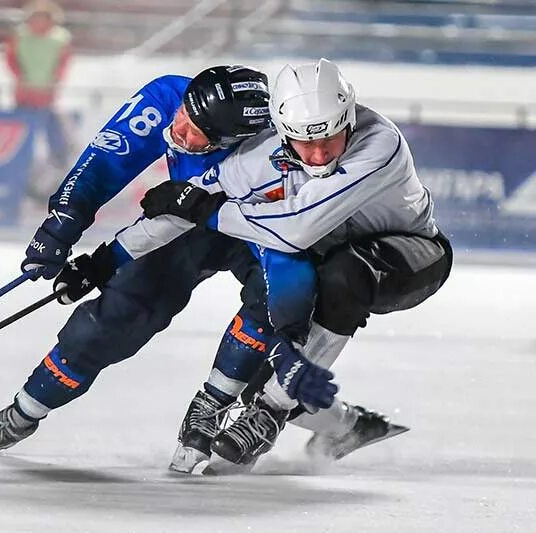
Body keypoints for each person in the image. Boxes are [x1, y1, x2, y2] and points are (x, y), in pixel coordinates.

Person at [0, 65, 399, 472]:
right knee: (117, 313)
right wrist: (67, 234)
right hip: (187, 221)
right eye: (185, 116)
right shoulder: (169, 99)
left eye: (199, 136)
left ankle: (247, 411)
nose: (180, 132)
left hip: (261, 228)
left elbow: (293, 235)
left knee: (275, 338)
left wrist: (218, 393)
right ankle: (18, 417)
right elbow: (107, 163)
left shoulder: (278, 154)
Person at [130, 58, 453, 473]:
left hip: (413, 255)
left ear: (350, 118)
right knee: (262, 362)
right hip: (332, 255)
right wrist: (102, 262)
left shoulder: (379, 142)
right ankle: (350, 427)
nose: (318, 156)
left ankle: (273, 410)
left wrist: (207, 211)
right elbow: (190, 201)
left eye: (331, 139)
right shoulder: (261, 152)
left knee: (344, 276)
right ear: (281, 132)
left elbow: (297, 227)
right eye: (303, 143)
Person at [4, 0, 72, 196]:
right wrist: (20, 77)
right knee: (22, 138)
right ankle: (21, 173)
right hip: (24, 95)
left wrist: (54, 81)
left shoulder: (60, 38)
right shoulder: (19, 35)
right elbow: (10, 59)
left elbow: (63, 63)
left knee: (53, 138)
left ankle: (56, 173)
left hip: (47, 97)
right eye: (36, 17)